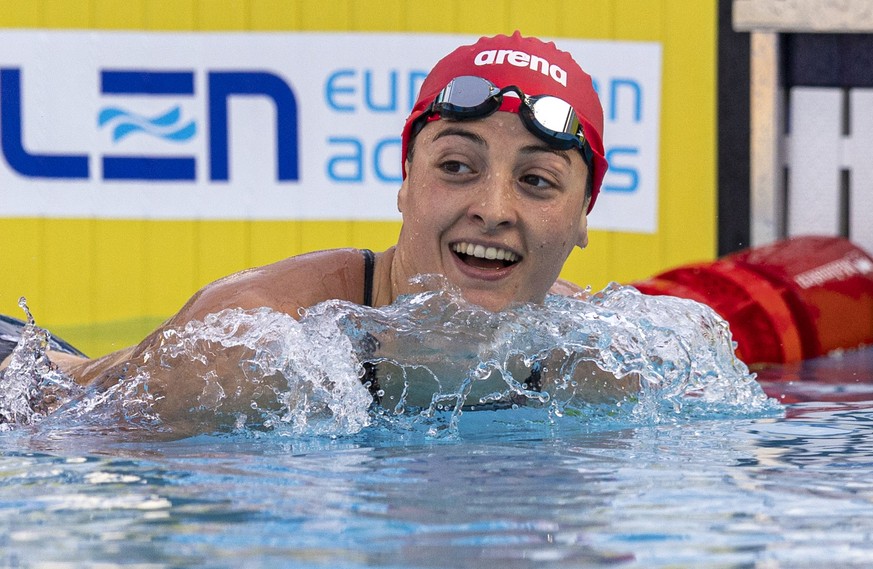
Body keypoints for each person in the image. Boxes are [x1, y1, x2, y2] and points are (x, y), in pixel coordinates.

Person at [1, 32, 628, 427]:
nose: (493, 208)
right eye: (457, 166)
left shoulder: (610, 363)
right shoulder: (258, 349)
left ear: (583, 215)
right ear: (407, 183)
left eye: (537, 181)